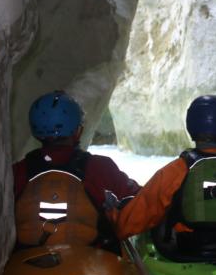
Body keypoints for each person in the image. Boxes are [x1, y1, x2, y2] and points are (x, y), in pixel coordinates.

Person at [105, 94, 216, 262]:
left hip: (188, 252)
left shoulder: (174, 171)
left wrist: (113, 219)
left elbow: (134, 218)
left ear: (190, 129)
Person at [13, 90, 140, 252]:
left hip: (27, 263)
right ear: (77, 131)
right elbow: (138, 201)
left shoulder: (19, 171)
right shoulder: (100, 168)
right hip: (90, 262)